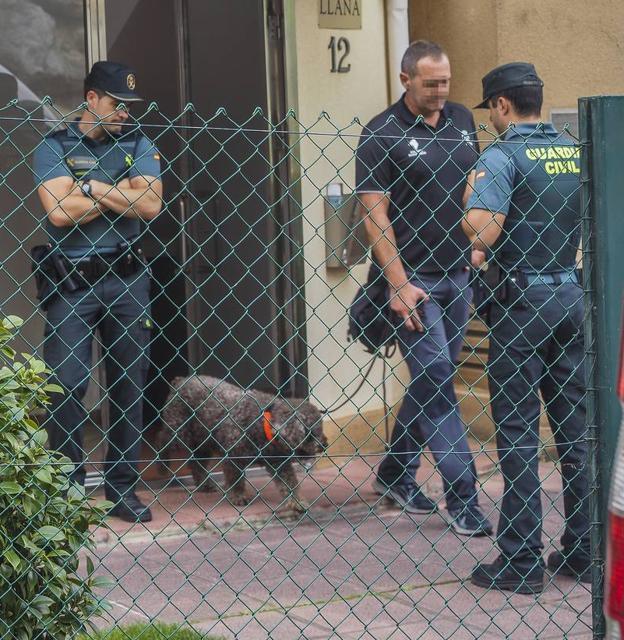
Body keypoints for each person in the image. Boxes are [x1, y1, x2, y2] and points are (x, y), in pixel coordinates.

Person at [355, 40, 493, 536]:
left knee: (432, 377)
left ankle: (394, 474)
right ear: (405, 79)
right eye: (431, 83)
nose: (441, 91)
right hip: (412, 283)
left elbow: (471, 183)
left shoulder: (459, 119)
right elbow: (375, 217)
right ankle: (464, 498)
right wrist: (397, 284)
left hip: (459, 274)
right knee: (436, 375)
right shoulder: (380, 133)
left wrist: (477, 244)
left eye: (445, 81)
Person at [463, 62, 589, 593]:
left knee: (516, 430)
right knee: (574, 430)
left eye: (490, 108)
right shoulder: (572, 150)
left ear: (503, 106)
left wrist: (471, 199)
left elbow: (482, 232)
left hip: (522, 303)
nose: (490, 117)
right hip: (572, 296)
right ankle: (585, 549)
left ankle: (521, 560)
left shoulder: (500, 155)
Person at [32, 61, 163, 522]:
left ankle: (121, 488)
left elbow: (150, 204)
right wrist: (119, 192)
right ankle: (66, 490)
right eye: (116, 104)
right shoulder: (55, 145)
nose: (125, 113)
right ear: (91, 100)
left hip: (128, 279)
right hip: (73, 282)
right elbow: (59, 214)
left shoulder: (139, 143)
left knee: (129, 382)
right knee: (67, 385)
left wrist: (87, 186)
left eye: (129, 105)